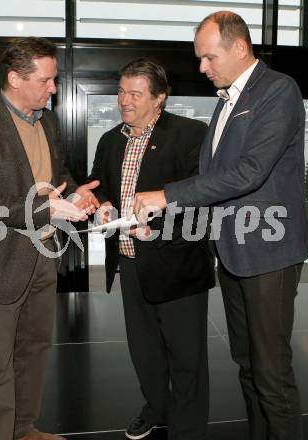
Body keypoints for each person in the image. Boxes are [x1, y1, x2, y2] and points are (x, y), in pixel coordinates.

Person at [133, 12, 308, 440]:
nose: (201, 68)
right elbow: (214, 179)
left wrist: (167, 194)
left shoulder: (278, 90)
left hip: (269, 252)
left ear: (239, 48)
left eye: (208, 57)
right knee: (247, 365)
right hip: (233, 252)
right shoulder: (227, 98)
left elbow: (250, 172)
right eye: (199, 59)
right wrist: (162, 218)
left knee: (272, 372)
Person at [0, 37, 99, 440]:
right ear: (15, 78)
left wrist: (74, 194)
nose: (54, 89)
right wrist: (45, 209)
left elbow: (55, 176)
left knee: (33, 353)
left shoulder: (47, 121)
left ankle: (23, 429)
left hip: (43, 256)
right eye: (46, 81)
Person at [89, 57, 215, 440]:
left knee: (186, 356)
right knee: (144, 352)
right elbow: (102, 189)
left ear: (159, 98)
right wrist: (104, 206)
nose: (124, 100)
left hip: (178, 263)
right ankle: (155, 408)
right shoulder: (110, 140)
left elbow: (203, 196)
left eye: (135, 94)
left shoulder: (191, 134)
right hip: (129, 262)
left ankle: (188, 427)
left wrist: (157, 228)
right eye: (121, 91)